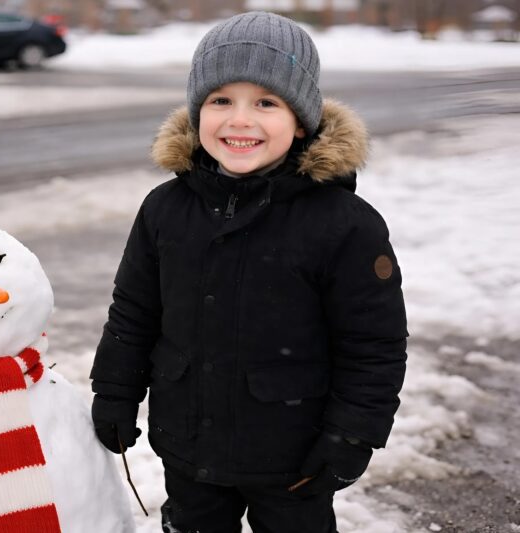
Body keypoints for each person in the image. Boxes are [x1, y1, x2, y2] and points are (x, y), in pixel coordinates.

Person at [89, 11, 408, 533]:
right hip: (188, 447)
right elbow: (134, 311)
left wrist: (352, 434)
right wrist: (114, 391)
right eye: (221, 101)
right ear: (196, 114)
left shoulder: (344, 224)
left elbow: (373, 344)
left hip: (294, 457)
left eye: (266, 102)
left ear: (301, 120)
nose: (240, 120)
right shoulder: (165, 209)